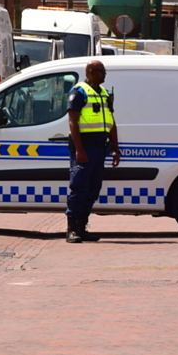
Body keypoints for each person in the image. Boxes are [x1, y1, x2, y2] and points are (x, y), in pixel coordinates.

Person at [66, 60, 121, 243]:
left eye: (104, 71)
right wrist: (80, 150)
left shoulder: (104, 93)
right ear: (90, 72)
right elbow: (73, 122)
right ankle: (72, 230)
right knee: (79, 188)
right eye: (101, 71)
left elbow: (111, 123)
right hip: (85, 147)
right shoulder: (79, 92)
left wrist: (115, 149)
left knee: (93, 189)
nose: (104, 74)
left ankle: (82, 227)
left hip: (99, 148)